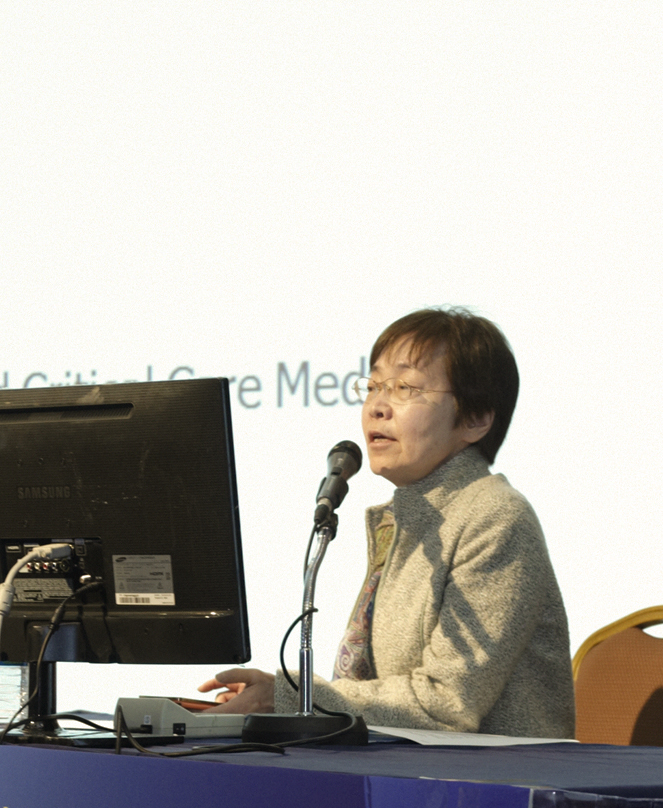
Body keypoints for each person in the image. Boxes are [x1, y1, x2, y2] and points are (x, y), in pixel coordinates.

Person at [199, 308, 574, 737]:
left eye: (404, 388)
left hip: (499, 773)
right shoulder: (405, 521)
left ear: (475, 419)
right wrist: (278, 700)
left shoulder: (495, 517)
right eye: (374, 386)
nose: (377, 407)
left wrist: (291, 697)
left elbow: (445, 704)